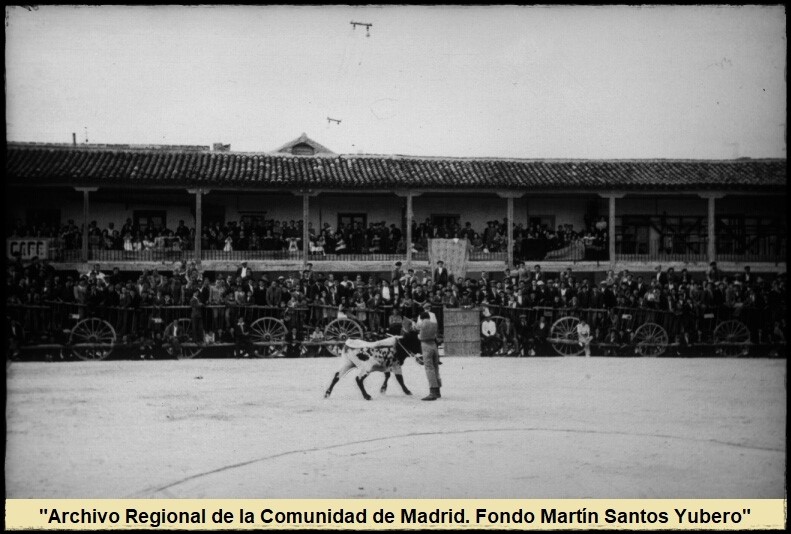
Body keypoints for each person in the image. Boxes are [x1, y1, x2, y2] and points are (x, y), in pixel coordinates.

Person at [417, 310, 441, 400]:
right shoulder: (434, 324)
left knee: (429, 368)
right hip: (434, 345)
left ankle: (432, 392)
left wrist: (418, 336)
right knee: (435, 368)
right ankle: (437, 391)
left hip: (426, 345)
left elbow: (420, 336)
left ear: (421, 318)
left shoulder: (421, 324)